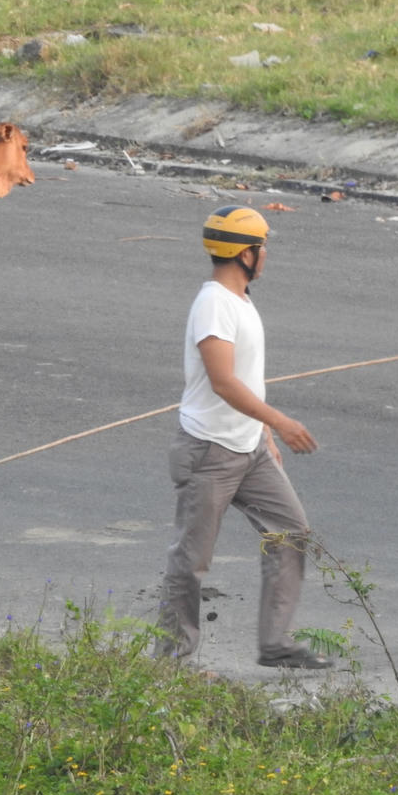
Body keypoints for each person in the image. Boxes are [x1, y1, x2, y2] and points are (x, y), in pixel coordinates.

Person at [154, 205, 331, 669]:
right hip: (209, 452)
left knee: (290, 531)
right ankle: (169, 659)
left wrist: (262, 436)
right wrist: (280, 423)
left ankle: (276, 644)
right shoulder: (214, 303)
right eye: (261, 247)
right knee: (191, 560)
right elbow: (224, 382)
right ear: (245, 254)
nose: (266, 254)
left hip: (249, 449)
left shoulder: (241, 300)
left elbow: (246, 380)